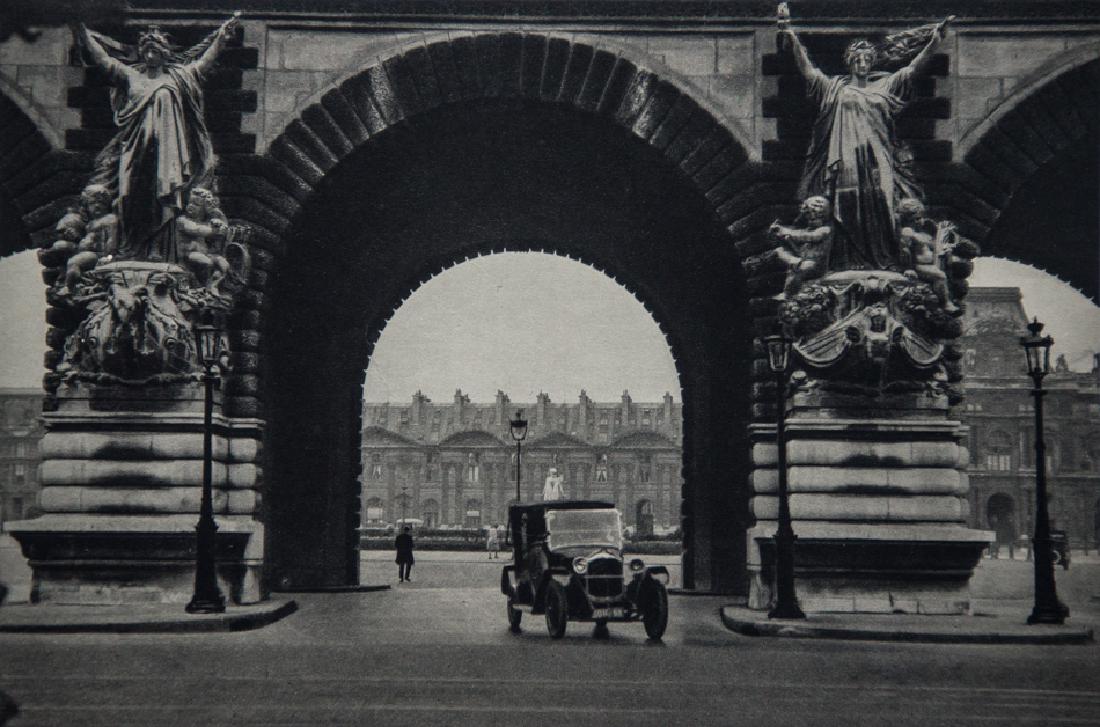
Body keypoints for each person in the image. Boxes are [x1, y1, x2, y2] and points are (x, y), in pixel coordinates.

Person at [780, 11, 951, 270]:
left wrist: (934, 43)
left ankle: (884, 259)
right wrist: (791, 36)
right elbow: (808, 71)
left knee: (884, 198)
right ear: (850, 62)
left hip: (879, 154)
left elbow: (912, 69)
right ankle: (846, 262)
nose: (862, 63)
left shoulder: (885, 86)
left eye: (867, 59)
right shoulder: (835, 88)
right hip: (845, 153)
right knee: (845, 200)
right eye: (858, 59)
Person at [72, 14, 239, 261]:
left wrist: (221, 39)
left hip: (167, 154)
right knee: (128, 196)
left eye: (155, 50)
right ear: (141, 52)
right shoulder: (131, 76)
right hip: (134, 150)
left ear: (164, 53)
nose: (150, 54)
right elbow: (104, 61)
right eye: (147, 50)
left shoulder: (178, 77)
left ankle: (157, 249)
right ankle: (129, 248)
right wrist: (82, 32)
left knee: (164, 198)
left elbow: (203, 63)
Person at [770, 195, 834, 297]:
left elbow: (809, 236)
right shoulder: (806, 229)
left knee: (801, 268)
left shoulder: (825, 229)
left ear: (821, 214)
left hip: (816, 265)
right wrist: (780, 234)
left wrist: (786, 231)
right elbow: (798, 238)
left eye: (811, 213)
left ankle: (788, 293)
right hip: (803, 259)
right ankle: (794, 263)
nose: (809, 217)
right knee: (779, 251)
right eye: (807, 213)